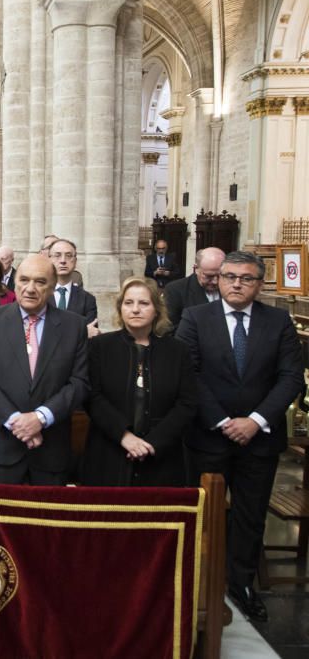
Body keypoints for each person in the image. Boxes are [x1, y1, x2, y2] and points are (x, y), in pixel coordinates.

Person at [176, 250, 303, 623]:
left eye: (246, 278)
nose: (235, 283)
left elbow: (291, 377)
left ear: (259, 284)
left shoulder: (278, 320)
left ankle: (242, 583)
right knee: (203, 513)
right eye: (229, 276)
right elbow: (188, 372)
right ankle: (197, 580)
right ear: (218, 278)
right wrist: (223, 420)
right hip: (208, 436)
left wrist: (256, 419)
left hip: (260, 439)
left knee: (250, 516)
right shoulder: (196, 318)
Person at [0, 254, 90, 485]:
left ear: (53, 286)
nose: (30, 288)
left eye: (40, 282)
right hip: (1, 447)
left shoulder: (74, 326)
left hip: (51, 449)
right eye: (24, 280)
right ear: (14, 282)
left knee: (47, 520)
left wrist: (40, 418)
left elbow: (79, 382)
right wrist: (17, 420)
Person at [81, 277, 196, 487]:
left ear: (157, 310)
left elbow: (186, 403)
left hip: (162, 457)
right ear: (120, 308)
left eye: (144, 303)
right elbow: (92, 397)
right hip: (110, 452)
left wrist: (152, 443)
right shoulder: (100, 347)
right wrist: (125, 437)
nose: (135, 310)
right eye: (128, 303)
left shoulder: (178, 351)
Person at [47, 239, 99, 337]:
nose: (63, 261)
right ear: (49, 260)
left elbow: (92, 335)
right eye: (57, 255)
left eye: (69, 256)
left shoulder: (87, 299)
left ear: (75, 261)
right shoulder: (40, 295)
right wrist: (81, 332)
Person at [164, 246, 225, 328]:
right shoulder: (175, 290)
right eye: (209, 276)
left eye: (220, 276)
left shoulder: (230, 287)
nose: (215, 281)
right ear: (196, 269)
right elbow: (170, 327)